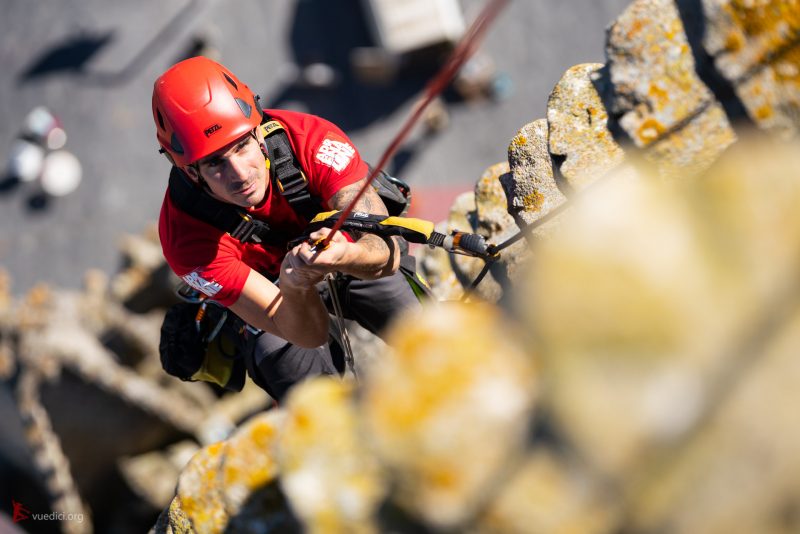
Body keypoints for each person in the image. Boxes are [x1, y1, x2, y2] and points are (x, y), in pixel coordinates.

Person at [153, 56, 421, 401]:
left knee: (422, 329)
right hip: (273, 291)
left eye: (242, 146)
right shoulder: (186, 238)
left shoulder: (312, 140)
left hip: (344, 251)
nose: (240, 174)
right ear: (191, 172)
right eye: (215, 163)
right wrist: (296, 286)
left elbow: (387, 251)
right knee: (302, 389)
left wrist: (347, 255)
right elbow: (308, 336)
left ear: (257, 132)